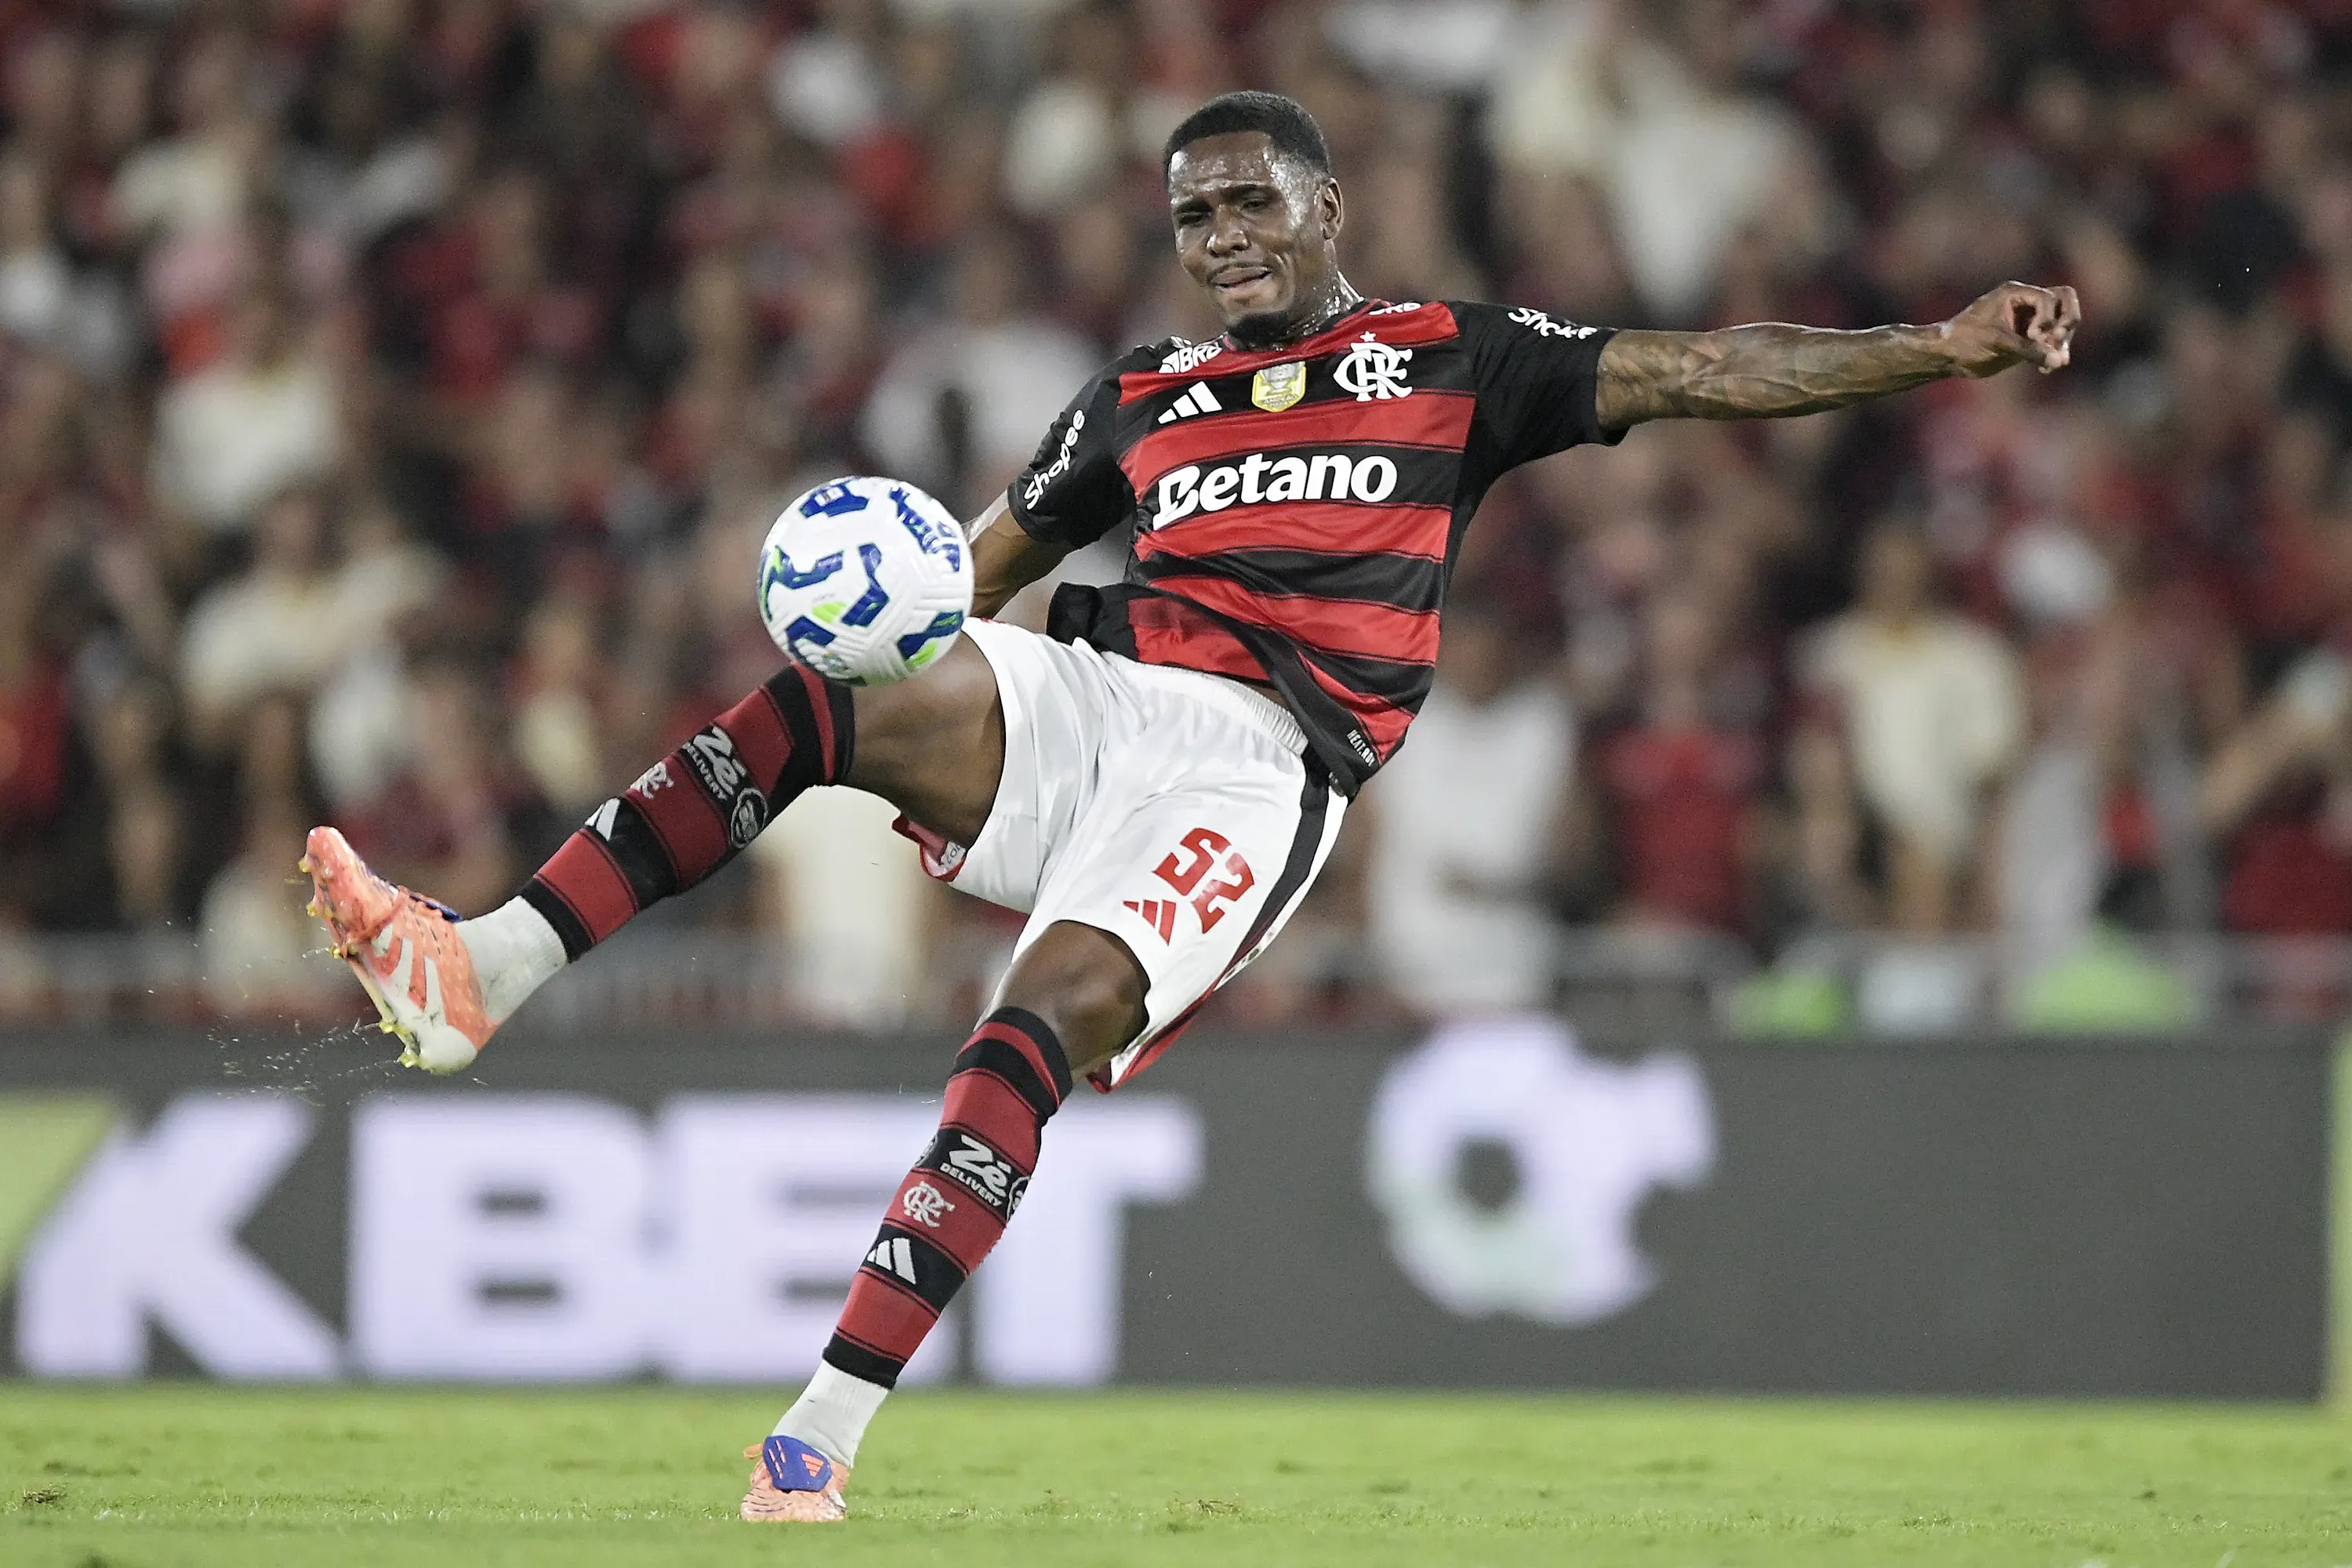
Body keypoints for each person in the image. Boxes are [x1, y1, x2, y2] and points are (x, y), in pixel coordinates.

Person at [299, 91, 2079, 1523]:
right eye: (1196, 217)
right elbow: (968, 586)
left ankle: (816, 1436)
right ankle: (485, 968)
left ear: (1325, 211)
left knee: (1038, 1023)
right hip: (1100, 690)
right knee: (831, 703)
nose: (1224, 238)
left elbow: (1702, 369)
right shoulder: (1137, 399)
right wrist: (881, 627)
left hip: (1261, 761)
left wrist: (1940, 347)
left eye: (1251, 205)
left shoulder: (1454, 357)